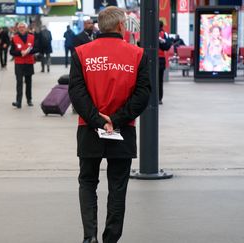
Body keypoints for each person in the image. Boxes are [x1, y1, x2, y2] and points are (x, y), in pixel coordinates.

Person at [69, 7, 151, 243]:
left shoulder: (81, 53)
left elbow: (76, 92)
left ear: (100, 26)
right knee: (117, 186)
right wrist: (116, 120)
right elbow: (143, 93)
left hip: (88, 129)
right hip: (123, 130)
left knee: (87, 182)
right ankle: (111, 238)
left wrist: (97, 119)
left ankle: (89, 237)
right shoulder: (137, 54)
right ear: (120, 27)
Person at [9, 22, 38, 109]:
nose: (21, 29)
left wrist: (29, 51)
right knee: (19, 82)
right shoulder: (14, 38)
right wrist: (20, 53)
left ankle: (29, 99)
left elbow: (36, 48)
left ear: (26, 28)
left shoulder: (32, 37)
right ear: (18, 29)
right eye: (20, 27)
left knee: (28, 82)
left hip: (29, 62)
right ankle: (18, 101)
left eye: (23, 27)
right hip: (19, 63)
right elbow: (11, 51)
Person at [158, 21, 171, 105]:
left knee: (159, 80)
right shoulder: (148, 32)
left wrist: (160, 41)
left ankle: (159, 98)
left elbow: (167, 47)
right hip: (151, 59)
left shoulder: (164, 34)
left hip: (160, 59)